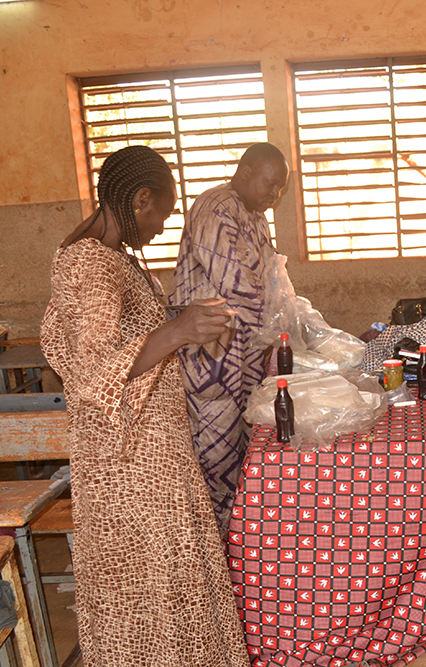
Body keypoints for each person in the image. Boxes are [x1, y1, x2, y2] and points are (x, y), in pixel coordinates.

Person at [40, 145, 250, 667]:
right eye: (163, 211)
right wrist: (178, 330)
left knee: (172, 586)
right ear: (139, 200)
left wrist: (182, 318)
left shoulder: (116, 260)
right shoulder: (87, 262)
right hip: (128, 467)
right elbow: (93, 369)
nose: (163, 225)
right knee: (144, 593)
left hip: (154, 455)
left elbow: (129, 334)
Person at [171, 142, 290, 532]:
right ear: (245, 171)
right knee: (215, 460)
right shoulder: (216, 207)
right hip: (212, 361)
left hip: (246, 360)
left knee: (243, 459)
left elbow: (273, 281)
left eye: (280, 191)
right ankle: (215, 559)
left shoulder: (255, 217)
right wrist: (286, 327)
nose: (274, 196)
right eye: (270, 185)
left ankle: (237, 553)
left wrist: (289, 317)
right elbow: (236, 284)